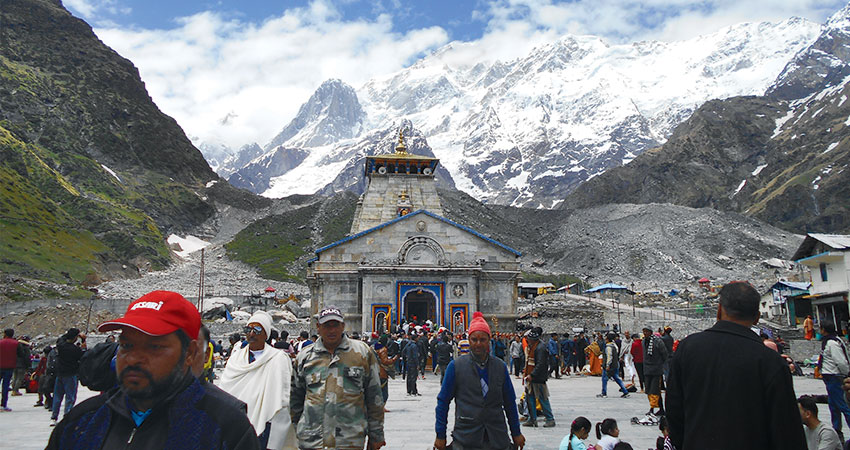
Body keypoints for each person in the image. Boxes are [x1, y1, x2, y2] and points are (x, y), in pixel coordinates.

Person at [46, 290, 259, 449]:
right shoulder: (81, 422)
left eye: (154, 346)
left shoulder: (226, 428)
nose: (134, 358)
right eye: (126, 345)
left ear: (190, 353)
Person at [666, 281, 806, 449]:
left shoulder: (687, 348)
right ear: (756, 317)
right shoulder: (771, 361)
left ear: (719, 310)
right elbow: (787, 429)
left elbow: (674, 411)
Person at [291, 306, 385, 450]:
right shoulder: (305, 357)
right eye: (327, 326)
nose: (332, 330)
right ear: (318, 327)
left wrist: (376, 435)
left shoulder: (362, 353)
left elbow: (374, 397)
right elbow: (295, 399)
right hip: (313, 441)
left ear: (343, 326)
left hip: (349, 440)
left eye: (336, 325)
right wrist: (301, 429)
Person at [433, 311, 525, 450]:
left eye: (482, 340)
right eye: (474, 340)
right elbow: (443, 402)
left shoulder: (500, 367)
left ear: (489, 340)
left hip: (497, 435)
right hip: (466, 435)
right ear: (468, 340)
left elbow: (509, 403)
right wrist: (440, 435)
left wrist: (516, 433)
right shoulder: (456, 367)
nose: (478, 344)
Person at [220, 310, 295, 449]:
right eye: (248, 329)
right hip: (235, 426)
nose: (252, 334)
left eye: (257, 329)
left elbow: (282, 397)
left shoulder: (278, 359)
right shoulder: (236, 358)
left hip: (265, 425)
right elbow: (225, 389)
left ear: (266, 334)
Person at [818, 321, 850, 436]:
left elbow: (840, 361)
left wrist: (846, 373)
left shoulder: (832, 343)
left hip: (834, 377)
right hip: (829, 377)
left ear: (824, 330)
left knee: (842, 405)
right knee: (833, 405)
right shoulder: (828, 341)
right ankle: (837, 430)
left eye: (820, 329)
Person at [50, 327, 87, 426]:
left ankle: (54, 417)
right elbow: (84, 355)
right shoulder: (74, 349)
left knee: (57, 396)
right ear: (75, 338)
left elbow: (62, 338)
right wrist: (83, 340)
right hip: (71, 374)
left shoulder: (61, 345)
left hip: (60, 374)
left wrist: (72, 334)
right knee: (70, 397)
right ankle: (67, 416)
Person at [523, 326, 555, 427]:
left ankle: (550, 419)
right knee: (530, 398)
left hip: (538, 378)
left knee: (542, 398)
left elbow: (541, 364)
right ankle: (532, 419)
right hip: (532, 377)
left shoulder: (540, 348)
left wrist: (532, 374)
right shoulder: (534, 346)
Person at [641, 327, 667, 419]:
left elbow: (664, 354)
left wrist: (660, 364)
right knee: (649, 389)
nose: (645, 333)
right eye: (644, 331)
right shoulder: (643, 341)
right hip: (647, 369)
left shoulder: (658, 342)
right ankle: (661, 408)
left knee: (655, 389)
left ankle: (652, 408)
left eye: (646, 331)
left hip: (656, 368)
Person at [598, 333, 629, 398]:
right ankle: (625, 391)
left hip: (610, 366)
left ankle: (604, 393)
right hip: (615, 364)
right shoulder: (614, 346)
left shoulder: (608, 347)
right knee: (617, 378)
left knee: (604, 379)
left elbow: (609, 356)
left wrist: (607, 365)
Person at [0, 329, 17, 412]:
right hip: (9, 367)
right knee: (5, 386)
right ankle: (3, 404)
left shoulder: (0, 342)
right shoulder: (16, 343)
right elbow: (21, 355)